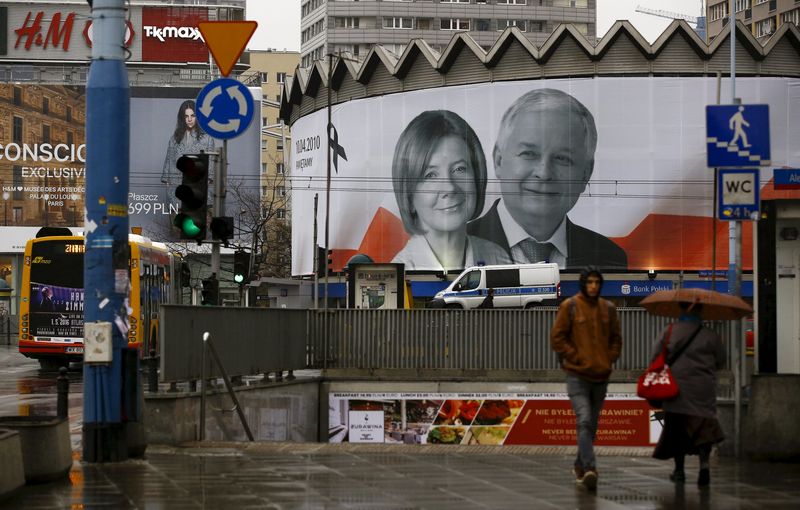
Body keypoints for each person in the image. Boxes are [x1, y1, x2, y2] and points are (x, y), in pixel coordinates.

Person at [467, 88, 627, 270]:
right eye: (529, 153)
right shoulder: (454, 248)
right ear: (498, 160)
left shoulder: (609, 257)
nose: (544, 173)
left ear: (585, 173)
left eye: (562, 158)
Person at [391, 110, 510, 271]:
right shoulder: (397, 277)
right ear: (409, 196)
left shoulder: (499, 259)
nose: (449, 187)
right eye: (430, 175)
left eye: (459, 169)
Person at [550, 266, 622, 490]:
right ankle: (590, 468)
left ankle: (579, 464)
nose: (593, 286)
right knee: (584, 419)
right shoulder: (570, 306)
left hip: (601, 375)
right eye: (589, 282)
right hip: (577, 375)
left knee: (591, 425)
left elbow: (616, 339)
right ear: (583, 284)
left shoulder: (608, 309)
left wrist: (608, 359)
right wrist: (576, 357)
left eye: (597, 282)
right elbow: (557, 338)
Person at [651, 302, 726, 487]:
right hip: (703, 389)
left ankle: (679, 471)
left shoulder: (669, 332)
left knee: (677, 429)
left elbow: (655, 358)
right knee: (704, 428)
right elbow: (721, 361)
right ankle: (704, 466)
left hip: (675, 389)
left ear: (681, 310)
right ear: (700, 311)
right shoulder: (711, 335)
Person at [161, 100, 216, 186]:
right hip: (176, 186)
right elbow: (169, 159)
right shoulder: (174, 139)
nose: (189, 119)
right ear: (182, 118)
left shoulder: (207, 139)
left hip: (198, 186)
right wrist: (166, 180)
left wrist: (208, 180)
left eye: (193, 115)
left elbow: (211, 161)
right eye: (186, 116)